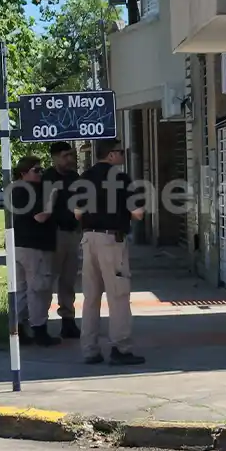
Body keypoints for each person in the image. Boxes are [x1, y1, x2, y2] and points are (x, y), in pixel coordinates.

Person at [71, 138, 146, 365]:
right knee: (118, 295)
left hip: (88, 239)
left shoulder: (84, 179)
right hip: (111, 240)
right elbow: (138, 213)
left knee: (91, 297)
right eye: (120, 152)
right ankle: (121, 348)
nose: (123, 155)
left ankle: (90, 350)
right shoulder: (121, 179)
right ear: (111, 155)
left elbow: (76, 212)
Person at [10, 155, 61, 347]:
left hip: (20, 245)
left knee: (22, 290)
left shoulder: (15, 189)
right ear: (23, 173)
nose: (41, 173)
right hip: (34, 247)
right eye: (36, 170)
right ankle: (39, 329)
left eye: (41, 170)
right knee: (38, 289)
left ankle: (20, 329)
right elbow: (40, 216)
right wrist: (52, 197)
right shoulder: (27, 191)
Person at [42, 141, 82, 339]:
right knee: (48, 279)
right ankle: (40, 323)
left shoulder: (75, 178)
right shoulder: (47, 178)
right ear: (55, 157)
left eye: (71, 155)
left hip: (73, 234)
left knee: (68, 280)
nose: (69, 159)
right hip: (54, 234)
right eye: (65, 155)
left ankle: (68, 321)